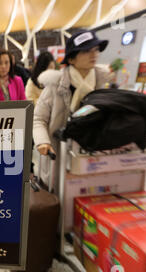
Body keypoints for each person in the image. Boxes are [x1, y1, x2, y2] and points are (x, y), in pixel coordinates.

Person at [33, 30, 110, 192]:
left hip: (91, 155)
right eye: (86, 50)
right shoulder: (55, 84)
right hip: (59, 156)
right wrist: (43, 141)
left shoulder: (102, 82)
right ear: (71, 58)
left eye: (96, 49)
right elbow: (38, 119)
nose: (93, 54)